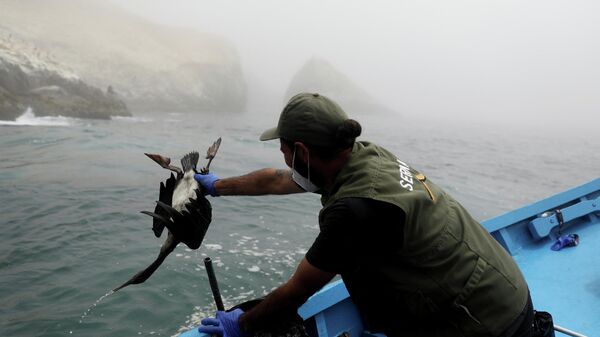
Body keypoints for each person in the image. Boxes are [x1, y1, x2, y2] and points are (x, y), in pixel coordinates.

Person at [194, 93, 534, 337]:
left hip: (486, 322)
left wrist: (241, 325)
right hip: (503, 286)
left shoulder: (356, 209)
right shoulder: (363, 155)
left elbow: (298, 290)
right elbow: (279, 179)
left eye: (283, 149)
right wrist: (217, 185)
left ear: (302, 151)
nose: (283, 158)